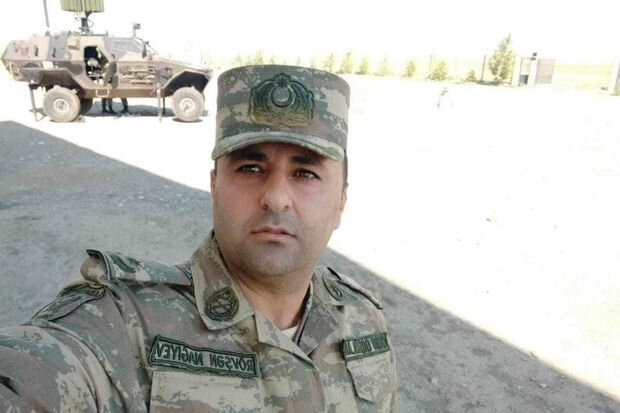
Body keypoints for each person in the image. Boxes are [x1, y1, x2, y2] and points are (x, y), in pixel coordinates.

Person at [0, 65, 398, 412]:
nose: (276, 197)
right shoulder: (124, 324)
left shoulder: (363, 319)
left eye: (305, 173)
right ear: (214, 187)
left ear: (341, 202)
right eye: (250, 167)